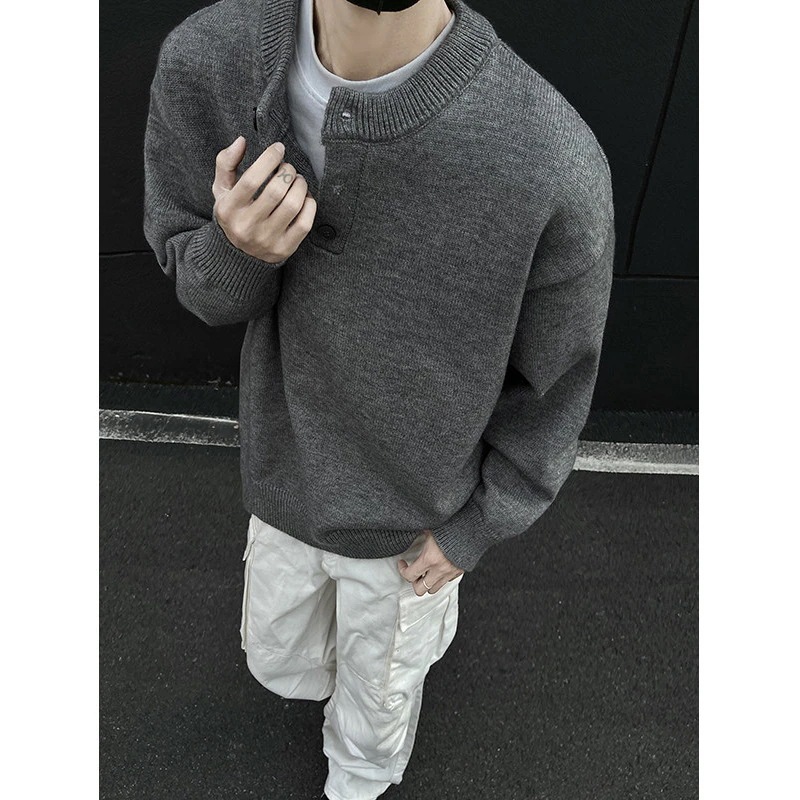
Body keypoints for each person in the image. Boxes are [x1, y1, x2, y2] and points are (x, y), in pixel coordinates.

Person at [143, 0, 615, 797]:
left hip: (413, 530)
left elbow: (556, 384)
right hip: (284, 487)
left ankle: (358, 780)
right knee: (282, 657)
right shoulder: (212, 62)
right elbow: (199, 281)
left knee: (376, 704)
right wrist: (237, 251)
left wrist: (479, 525)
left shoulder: (549, 161)